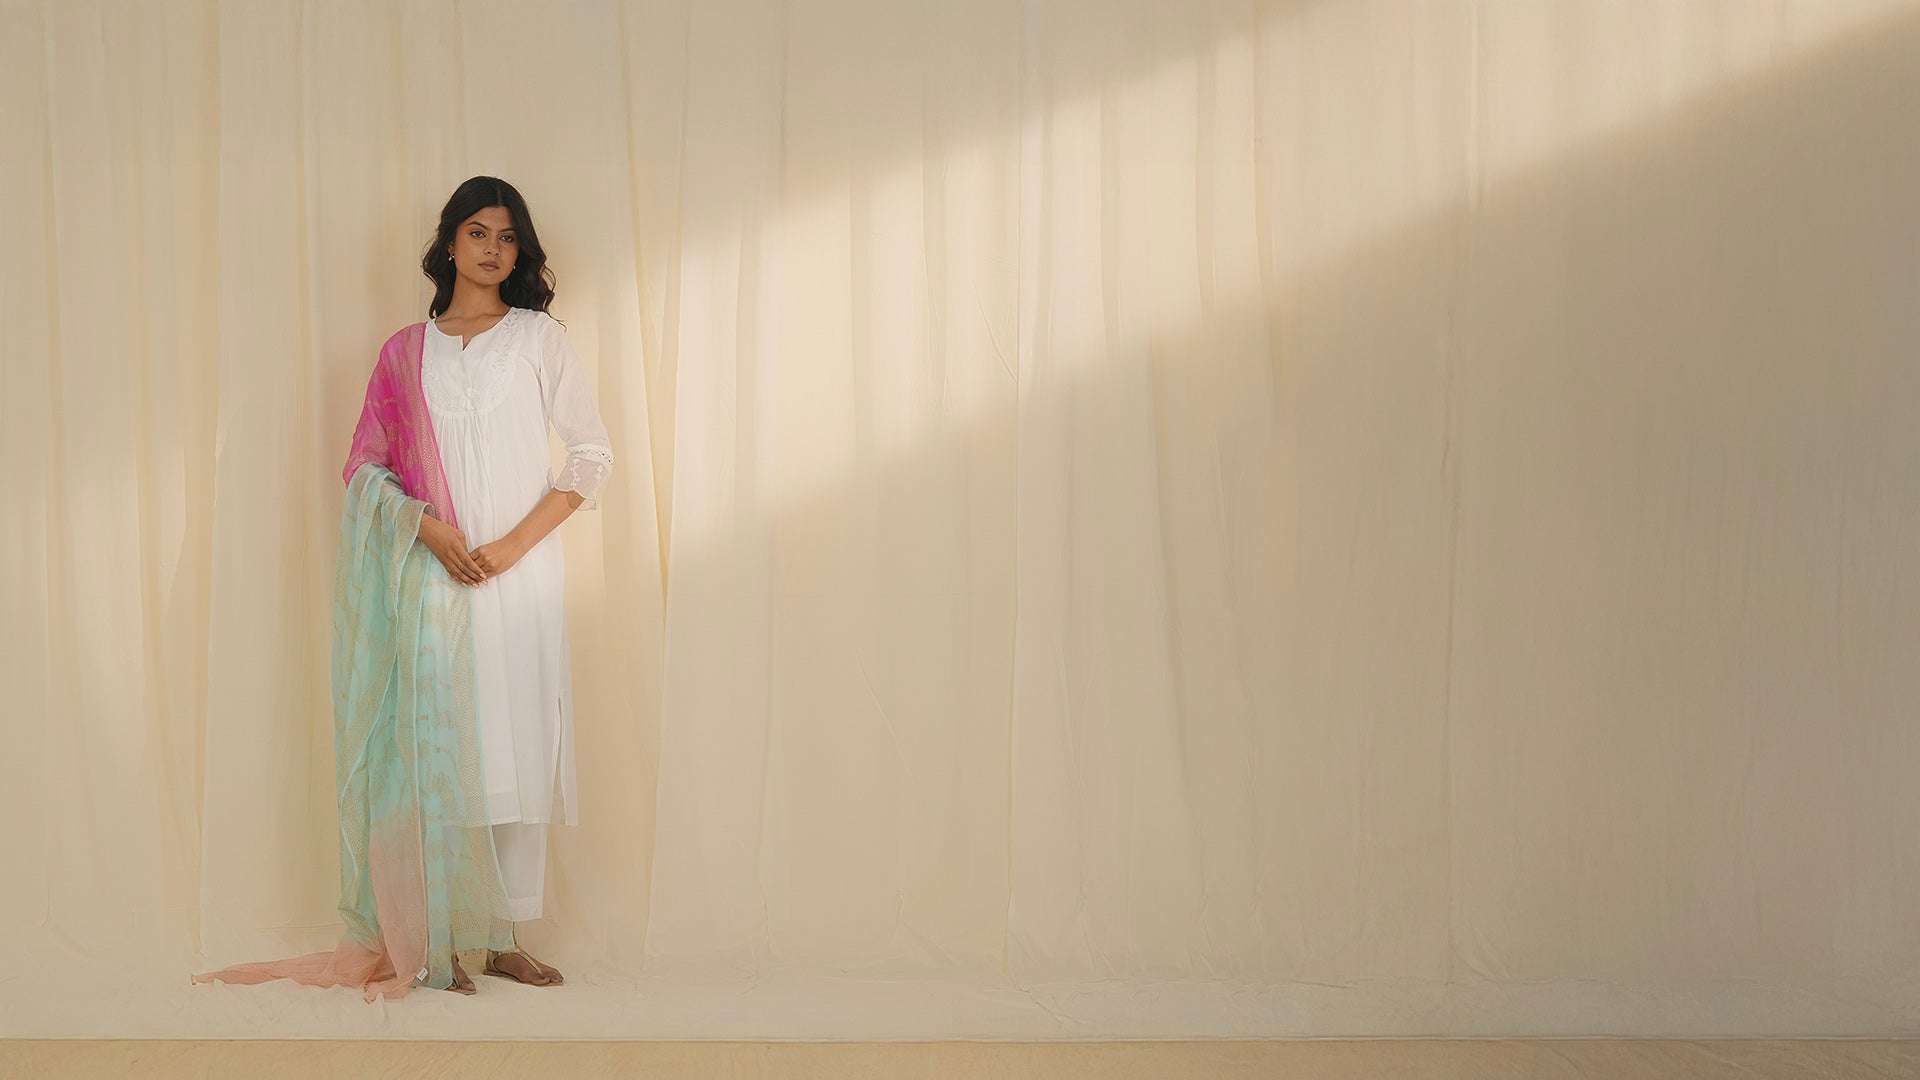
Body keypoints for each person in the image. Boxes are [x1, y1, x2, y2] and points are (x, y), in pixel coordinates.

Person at [193, 176, 612, 999]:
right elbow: (364, 467)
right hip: (429, 583)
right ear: (449, 242)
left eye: (507, 237)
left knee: (516, 745)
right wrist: (430, 531)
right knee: (436, 753)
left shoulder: (538, 339)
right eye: (478, 232)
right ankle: (444, 937)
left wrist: (512, 547)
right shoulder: (404, 353)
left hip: (520, 579)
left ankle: (505, 937)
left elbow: (591, 456)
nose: (493, 249)